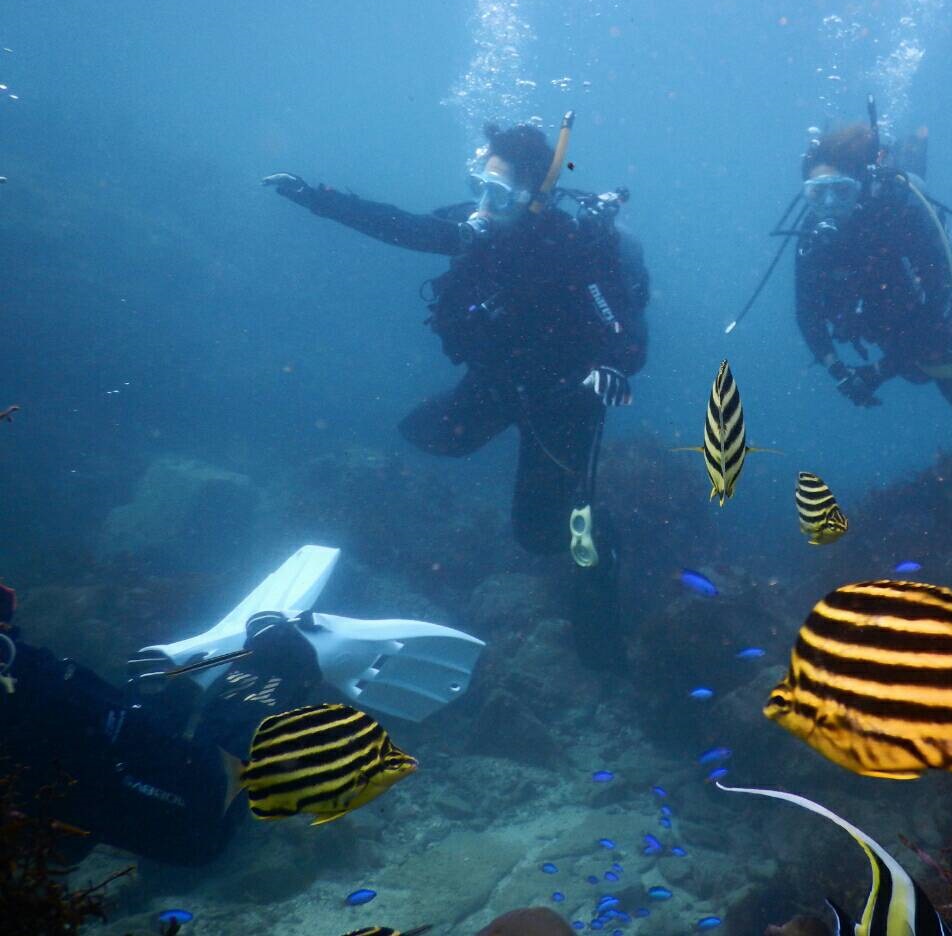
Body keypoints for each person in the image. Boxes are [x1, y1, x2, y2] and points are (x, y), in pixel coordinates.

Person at [262, 121, 649, 582]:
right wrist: (315, 198)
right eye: (478, 186)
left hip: (561, 402)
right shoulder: (472, 229)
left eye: (498, 194)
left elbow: (625, 333)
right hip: (499, 382)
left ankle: (603, 539)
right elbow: (400, 226)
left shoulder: (571, 248)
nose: (483, 205)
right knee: (424, 435)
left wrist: (612, 366)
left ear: (533, 196)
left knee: (538, 537)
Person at [0, 546, 481, 866]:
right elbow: (198, 824)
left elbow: (95, 752)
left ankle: (222, 676)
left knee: (147, 732)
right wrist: (271, 675)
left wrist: (169, 693)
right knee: (204, 805)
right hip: (133, 784)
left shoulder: (24, 674)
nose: (10, 617)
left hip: (79, 752)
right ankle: (277, 663)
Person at [793, 124, 952, 410]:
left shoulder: (898, 220)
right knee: (917, 375)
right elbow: (807, 312)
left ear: (859, 185)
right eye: (817, 193)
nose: (829, 204)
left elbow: (941, 305)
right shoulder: (814, 237)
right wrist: (838, 371)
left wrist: (880, 371)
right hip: (889, 331)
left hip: (937, 325)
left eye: (841, 191)